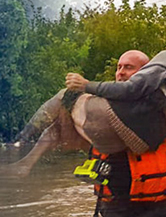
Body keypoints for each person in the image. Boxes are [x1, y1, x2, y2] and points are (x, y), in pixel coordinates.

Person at [65, 28, 166, 154]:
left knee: (66, 96)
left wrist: (86, 85)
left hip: (120, 124)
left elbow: (130, 89)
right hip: (146, 143)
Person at [12, 50, 150, 175]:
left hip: (125, 160)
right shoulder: (118, 93)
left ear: (145, 72)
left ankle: (24, 138)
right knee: (58, 124)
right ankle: (25, 160)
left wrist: (83, 87)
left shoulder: (149, 98)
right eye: (119, 67)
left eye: (129, 67)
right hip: (112, 169)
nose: (121, 72)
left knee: (65, 95)